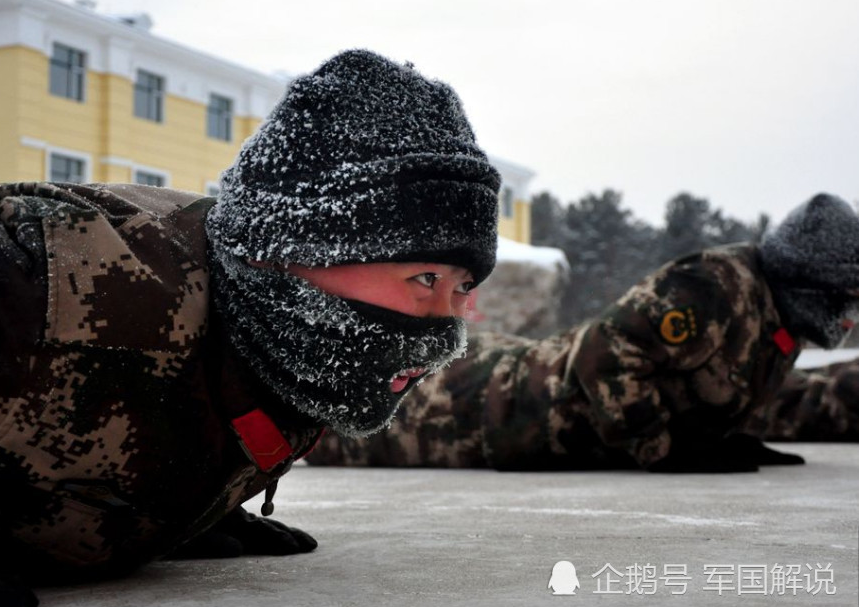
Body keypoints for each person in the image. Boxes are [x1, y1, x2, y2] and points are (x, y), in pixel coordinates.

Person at [0, 49, 500, 607]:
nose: (446, 315)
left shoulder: (298, 344)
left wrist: (181, 504)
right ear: (288, 249)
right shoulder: (42, 277)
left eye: (463, 286)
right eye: (424, 275)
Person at [307, 193, 859, 473]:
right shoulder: (715, 286)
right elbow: (605, 354)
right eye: (845, 300)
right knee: (346, 431)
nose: (850, 318)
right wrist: (660, 450)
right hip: (506, 407)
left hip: (535, 408)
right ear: (811, 284)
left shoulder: (773, 316)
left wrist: (714, 439)